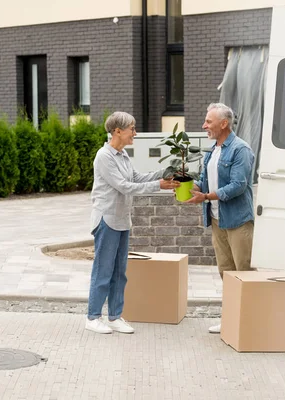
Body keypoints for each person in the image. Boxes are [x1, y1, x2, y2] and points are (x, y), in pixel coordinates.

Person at [86, 111, 180, 334]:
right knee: (103, 270)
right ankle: (92, 317)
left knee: (120, 271)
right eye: (132, 129)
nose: (135, 133)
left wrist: (164, 174)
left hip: (122, 220)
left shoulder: (122, 155)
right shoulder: (104, 156)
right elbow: (124, 186)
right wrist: (159, 185)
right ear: (117, 131)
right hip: (107, 220)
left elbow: (135, 178)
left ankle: (115, 316)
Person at [186, 103, 255, 334]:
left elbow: (238, 185)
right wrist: (190, 186)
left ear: (223, 123)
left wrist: (206, 196)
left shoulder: (240, 149)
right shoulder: (213, 150)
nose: (204, 125)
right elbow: (206, 180)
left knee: (242, 272)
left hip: (238, 221)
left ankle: (248, 323)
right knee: (225, 271)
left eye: (209, 121)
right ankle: (231, 320)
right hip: (217, 219)